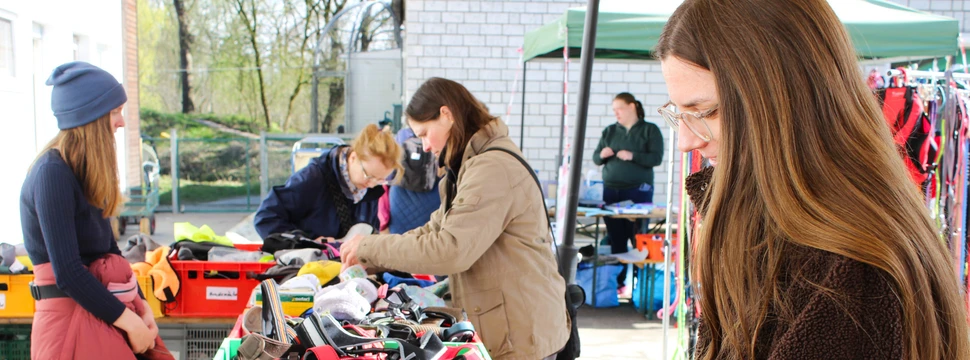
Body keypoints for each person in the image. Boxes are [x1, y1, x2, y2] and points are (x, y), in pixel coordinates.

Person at [655, 1, 970, 359]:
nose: (686, 141)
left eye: (707, 111)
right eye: (678, 113)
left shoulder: (848, 271)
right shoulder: (764, 224)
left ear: (786, 98)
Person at [340, 77, 569, 359]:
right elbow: (434, 229)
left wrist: (369, 247)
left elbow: (450, 249)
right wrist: (369, 256)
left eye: (424, 133)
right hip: (511, 324)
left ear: (446, 115)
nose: (423, 146)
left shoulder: (491, 168)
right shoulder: (469, 166)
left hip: (522, 332)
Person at [21, 62, 172, 359]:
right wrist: (130, 322)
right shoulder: (52, 173)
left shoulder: (84, 174)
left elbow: (109, 250)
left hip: (106, 311)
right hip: (69, 324)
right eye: (115, 112)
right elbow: (68, 271)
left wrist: (142, 310)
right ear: (90, 117)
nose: (122, 122)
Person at [254, 124, 401, 241]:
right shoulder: (312, 179)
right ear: (353, 157)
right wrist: (307, 242)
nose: (372, 184)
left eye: (381, 179)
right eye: (368, 175)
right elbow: (266, 217)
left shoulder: (371, 190)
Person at [591, 92, 664, 295]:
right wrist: (602, 155)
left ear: (632, 107)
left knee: (638, 238)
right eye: (614, 110)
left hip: (638, 191)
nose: (616, 114)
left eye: (619, 109)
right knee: (616, 238)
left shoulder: (650, 130)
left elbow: (656, 158)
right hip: (611, 190)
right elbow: (596, 158)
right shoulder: (610, 131)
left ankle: (640, 288)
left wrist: (633, 156)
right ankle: (617, 284)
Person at [386, 126, 441, 234]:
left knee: (398, 242)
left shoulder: (402, 135)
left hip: (400, 194)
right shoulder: (435, 134)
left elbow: (390, 175)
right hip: (434, 194)